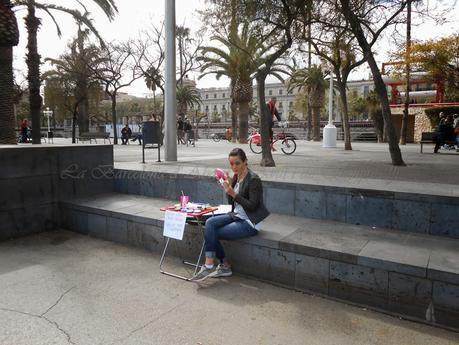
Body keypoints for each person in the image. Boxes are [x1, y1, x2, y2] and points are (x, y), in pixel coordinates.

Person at [190, 148, 270, 282]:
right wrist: (227, 188)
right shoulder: (236, 177)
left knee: (211, 232)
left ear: (245, 162)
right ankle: (219, 265)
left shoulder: (254, 179)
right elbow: (231, 203)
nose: (234, 167)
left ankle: (215, 265)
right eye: (231, 164)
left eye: (237, 163)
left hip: (250, 221)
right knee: (209, 223)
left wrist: (233, 193)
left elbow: (252, 206)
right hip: (236, 215)